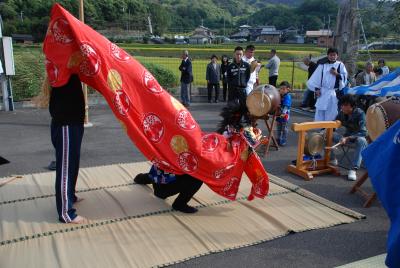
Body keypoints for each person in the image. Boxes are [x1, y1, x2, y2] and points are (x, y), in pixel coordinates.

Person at [49, 74, 87, 224]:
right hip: (66, 123)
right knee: (66, 166)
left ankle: (70, 195)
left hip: (73, 120)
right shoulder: (61, 60)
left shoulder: (69, 67)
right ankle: (66, 213)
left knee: (73, 162)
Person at [134, 165, 203, 213]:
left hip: (161, 175)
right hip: (164, 184)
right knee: (197, 178)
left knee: (160, 170)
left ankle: (142, 178)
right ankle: (180, 204)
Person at [330, 95, 368, 181]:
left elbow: (364, 132)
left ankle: (353, 169)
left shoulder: (360, 113)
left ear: (352, 105)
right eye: (341, 105)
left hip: (357, 138)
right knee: (327, 134)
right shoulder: (342, 113)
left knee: (362, 141)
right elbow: (334, 125)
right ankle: (332, 159)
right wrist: (325, 130)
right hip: (345, 138)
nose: (342, 107)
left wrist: (348, 138)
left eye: (345, 105)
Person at [307, 47, 348, 121]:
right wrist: (317, 89)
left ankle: (330, 128)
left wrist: (337, 74)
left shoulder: (340, 65)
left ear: (337, 56)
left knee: (332, 110)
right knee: (320, 110)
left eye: (334, 55)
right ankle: (320, 127)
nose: (332, 57)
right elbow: (316, 79)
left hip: (333, 92)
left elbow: (345, 77)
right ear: (327, 55)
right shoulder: (322, 65)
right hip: (323, 91)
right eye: (330, 55)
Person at [226, 46, 251, 123]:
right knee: (232, 108)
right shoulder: (230, 66)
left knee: (244, 107)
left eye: (240, 54)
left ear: (242, 54)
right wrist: (232, 86)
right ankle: (231, 124)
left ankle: (245, 124)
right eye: (237, 54)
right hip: (233, 90)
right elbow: (228, 78)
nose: (239, 56)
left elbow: (247, 76)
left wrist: (243, 84)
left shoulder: (246, 65)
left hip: (242, 90)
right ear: (234, 54)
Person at [276, 81, 292, 146]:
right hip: (278, 115)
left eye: (283, 89)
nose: (281, 90)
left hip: (284, 115)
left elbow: (286, 106)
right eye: (280, 89)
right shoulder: (279, 95)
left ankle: (283, 139)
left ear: (288, 89)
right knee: (278, 128)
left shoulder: (287, 96)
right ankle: (278, 138)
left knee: (284, 128)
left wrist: (283, 113)